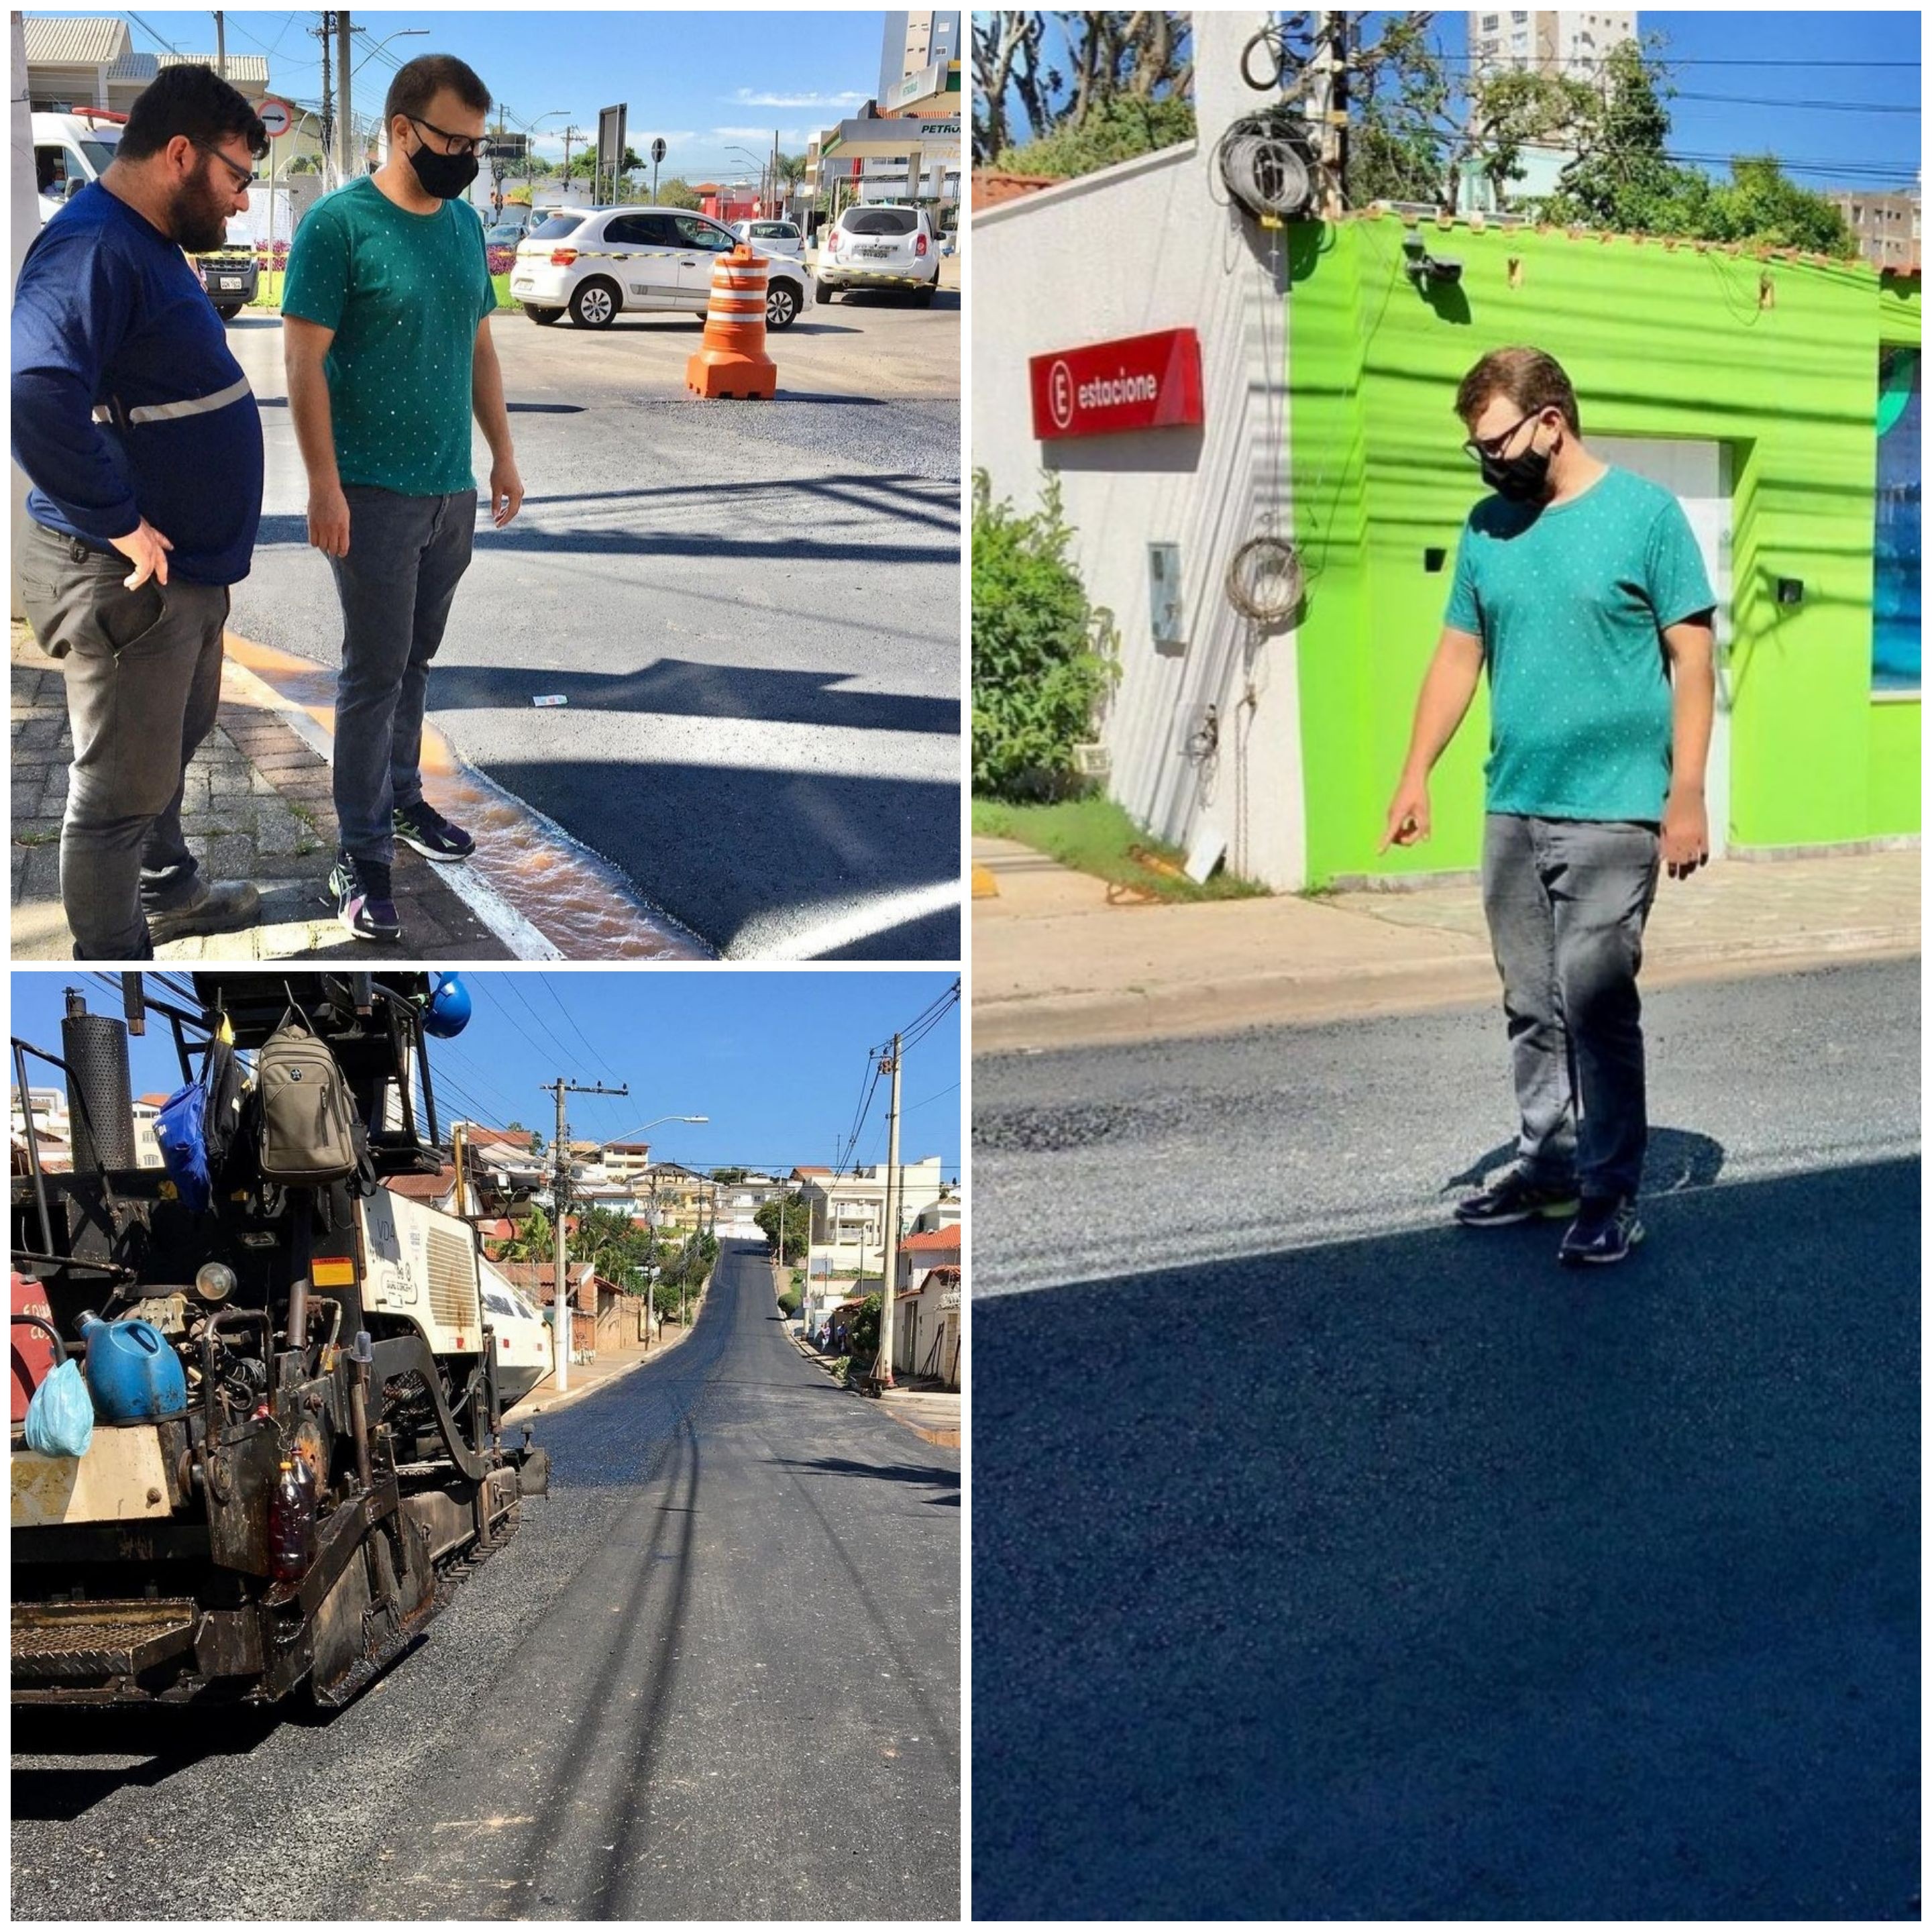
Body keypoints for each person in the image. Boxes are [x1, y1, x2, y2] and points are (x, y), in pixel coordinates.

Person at [1383, 345, 1717, 1267]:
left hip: (1614, 813)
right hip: (1514, 805)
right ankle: (1550, 1162)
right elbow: (1458, 658)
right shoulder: (1486, 528)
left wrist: (1685, 793)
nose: (1488, 461)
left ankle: (1611, 1191)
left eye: (1494, 442)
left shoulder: (1645, 516)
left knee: (1595, 1003)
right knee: (1531, 1003)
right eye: (1477, 449)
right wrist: (1417, 772)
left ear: (1551, 422)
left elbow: (1694, 660)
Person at [11, 66, 269, 959]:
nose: (242, 202)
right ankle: (116, 966)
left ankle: (170, 892)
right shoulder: (92, 250)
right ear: (181, 155)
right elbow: (36, 394)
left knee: (163, 753)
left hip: (182, 574)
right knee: (117, 795)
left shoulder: (142, 239)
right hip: (127, 577)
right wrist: (121, 521)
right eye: (239, 177)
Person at [282, 53, 523, 944]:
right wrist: (323, 486)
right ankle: (361, 855)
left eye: (476, 142)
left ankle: (406, 802)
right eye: (451, 139)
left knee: (416, 663)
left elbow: (481, 347)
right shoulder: (338, 228)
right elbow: (302, 362)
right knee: (372, 675)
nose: (465, 156)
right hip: (371, 495)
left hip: (448, 489)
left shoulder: (462, 227)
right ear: (400, 129)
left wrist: (501, 455)